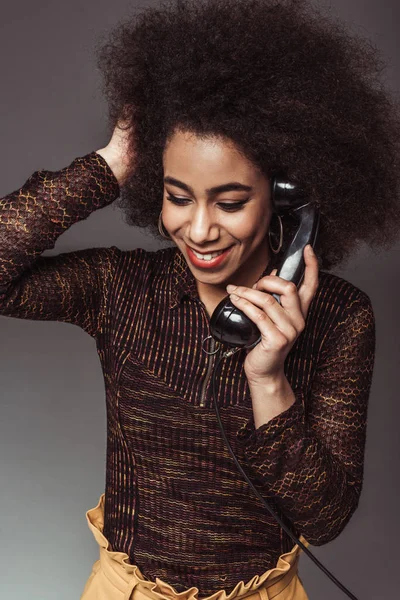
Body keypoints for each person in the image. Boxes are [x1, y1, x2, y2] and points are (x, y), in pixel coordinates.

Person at [1, 0, 399, 598]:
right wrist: (110, 166)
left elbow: (325, 518)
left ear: (284, 201)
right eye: (178, 196)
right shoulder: (121, 288)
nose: (200, 229)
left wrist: (269, 380)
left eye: (231, 202)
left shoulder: (340, 317)